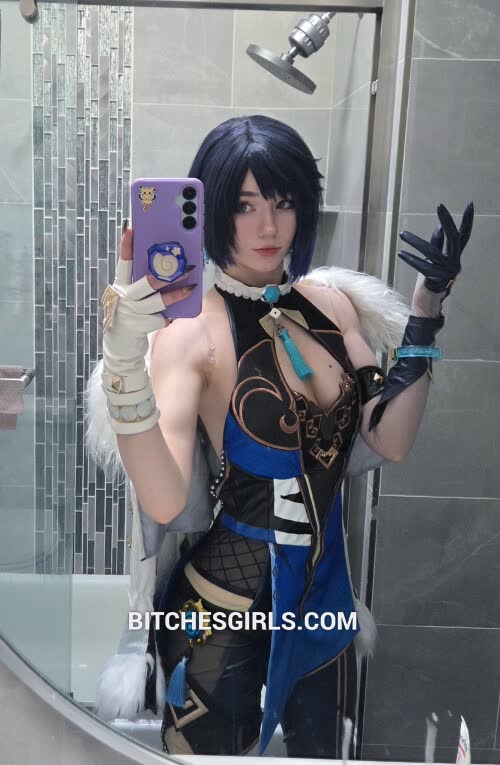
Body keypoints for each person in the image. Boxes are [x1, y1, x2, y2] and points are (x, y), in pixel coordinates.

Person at [86, 114, 474, 758]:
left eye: (283, 202)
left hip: (324, 601)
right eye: (244, 206)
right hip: (220, 607)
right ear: (213, 211)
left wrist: (425, 311)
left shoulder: (331, 305)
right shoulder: (191, 331)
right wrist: (125, 360)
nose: (268, 227)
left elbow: (390, 438)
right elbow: (163, 499)